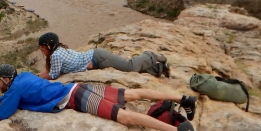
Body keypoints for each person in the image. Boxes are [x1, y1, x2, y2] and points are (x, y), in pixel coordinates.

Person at [0, 64, 206, 131]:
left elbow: (3, 115)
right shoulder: (24, 76)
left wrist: (0, 101)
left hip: (75, 98)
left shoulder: (14, 89)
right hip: (77, 87)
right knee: (131, 94)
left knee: (124, 117)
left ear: (6, 79)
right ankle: (182, 98)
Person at [37, 32, 170, 79]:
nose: (41, 50)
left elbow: (53, 75)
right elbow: (53, 71)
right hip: (97, 60)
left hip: (99, 58)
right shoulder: (58, 51)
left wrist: (35, 76)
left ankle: (151, 55)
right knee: (129, 70)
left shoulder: (55, 56)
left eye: (42, 47)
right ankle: (159, 68)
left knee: (130, 67)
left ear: (48, 46)